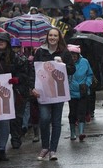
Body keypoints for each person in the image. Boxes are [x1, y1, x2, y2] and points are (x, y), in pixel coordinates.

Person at [31, 28, 75, 160]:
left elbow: (72, 69)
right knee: (44, 118)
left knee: (56, 121)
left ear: (59, 37)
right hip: (43, 92)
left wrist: (63, 65)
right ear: (47, 37)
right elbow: (33, 70)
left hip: (58, 92)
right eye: (50, 35)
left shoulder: (65, 52)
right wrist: (32, 88)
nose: (53, 38)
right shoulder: (40, 51)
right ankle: (45, 147)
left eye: (55, 35)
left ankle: (53, 150)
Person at [0, 33, 31, 161]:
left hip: (8, 93)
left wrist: (17, 79)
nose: (0, 42)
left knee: (5, 121)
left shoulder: (14, 58)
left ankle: (1, 149)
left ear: (7, 43)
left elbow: (24, 74)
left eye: (3, 40)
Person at [67, 44, 93, 141]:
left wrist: (87, 84)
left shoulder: (84, 62)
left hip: (83, 92)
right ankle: (73, 132)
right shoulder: (67, 63)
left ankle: (81, 132)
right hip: (71, 93)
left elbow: (90, 74)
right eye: (71, 55)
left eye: (75, 55)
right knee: (72, 113)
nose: (73, 57)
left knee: (82, 112)